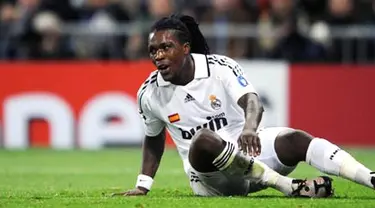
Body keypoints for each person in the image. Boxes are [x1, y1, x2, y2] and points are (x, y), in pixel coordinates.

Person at [112, 14, 374, 197]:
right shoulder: (150, 93)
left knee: (295, 139)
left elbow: (252, 101)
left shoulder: (220, 68)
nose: (158, 56)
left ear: (185, 48)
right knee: (203, 139)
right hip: (211, 179)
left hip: (249, 153)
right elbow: (153, 138)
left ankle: (369, 177)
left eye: (165, 47)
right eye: (153, 50)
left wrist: (249, 128)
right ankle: (287, 186)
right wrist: (143, 184)